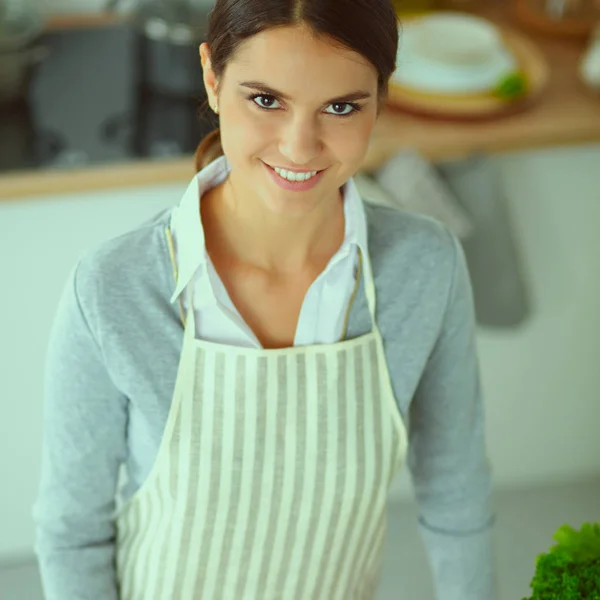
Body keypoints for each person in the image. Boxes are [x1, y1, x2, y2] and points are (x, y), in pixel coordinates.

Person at [32, 0, 497, 598]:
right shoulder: (113, 289)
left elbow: (456, 496)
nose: (300, 147)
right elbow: (73, 533)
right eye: (266, 100)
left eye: (340, 107)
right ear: (211, 76)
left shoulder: (424, 267)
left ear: (380, 97)